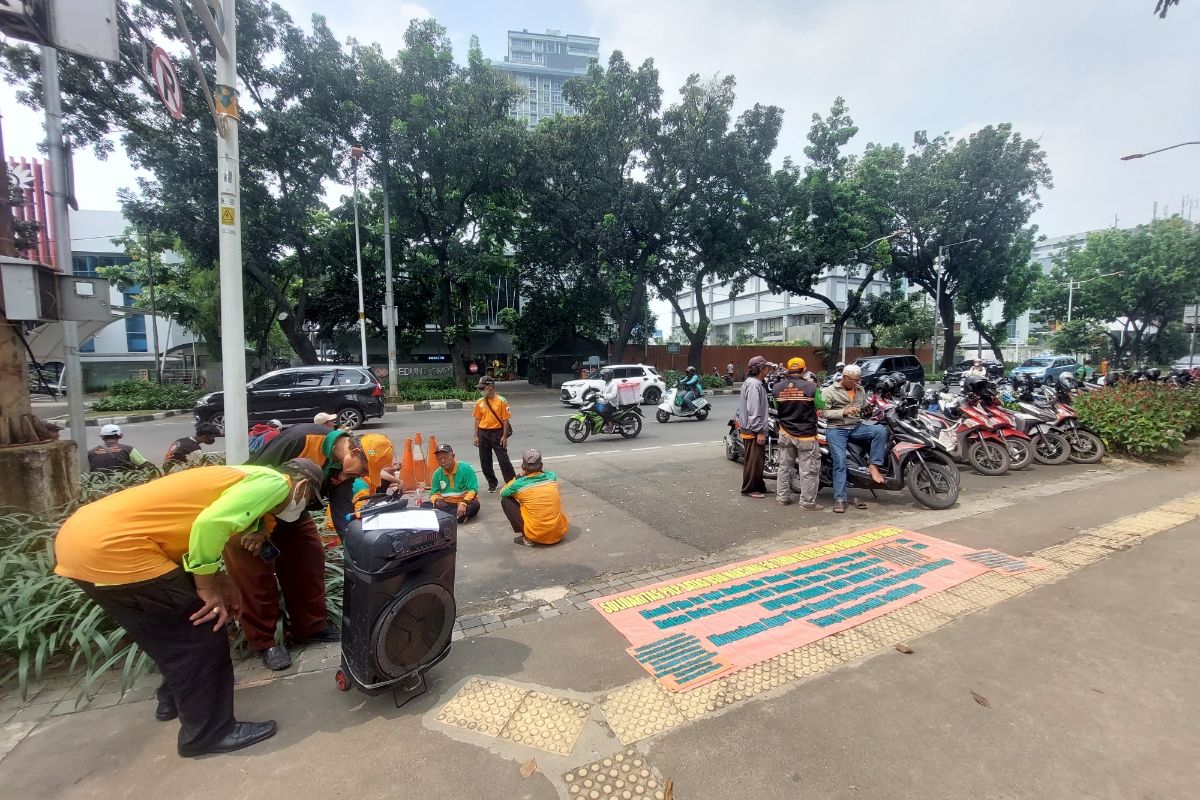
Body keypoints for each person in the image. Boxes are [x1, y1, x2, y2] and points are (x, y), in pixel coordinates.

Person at [54, 458, 324, 758]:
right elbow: (209, 526)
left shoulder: (242, 475)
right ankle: (208, 733)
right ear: (300, 486)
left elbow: (197, 528)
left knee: (167, 634)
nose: (301, 508)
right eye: (308, 501)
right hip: (120, 548)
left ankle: (173, 699)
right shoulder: (276, 484)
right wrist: (208, 589)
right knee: (202, 632)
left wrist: (217, 578)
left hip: (80, 541)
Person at [233, 423, 360, 669]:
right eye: (358, 472)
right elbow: (251, 481)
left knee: (309, 560)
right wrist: (258, 525)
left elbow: (341, 508)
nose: (353, 478)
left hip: (293, 512)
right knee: (256, 578)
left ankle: (310, 627)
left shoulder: (346, 467)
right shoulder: (301, 439)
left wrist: (354, 547)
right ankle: (265, 642)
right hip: (249, 513)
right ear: (354, 452)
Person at [821, 364, 886, 513]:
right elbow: (823, 413)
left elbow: (863, 412)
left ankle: (874, 465)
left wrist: (868, 411)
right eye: (854, 380)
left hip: (856, 426)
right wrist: (844, 412)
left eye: (858, 380)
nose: (857, 383)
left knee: (880, 431)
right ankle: (840, 498)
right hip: (837, 429)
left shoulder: (860, 390)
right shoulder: (829, 391)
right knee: (840, 462)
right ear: (844, 378)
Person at [772, 357, 823, 510]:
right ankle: (807, 503)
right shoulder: (812, 387)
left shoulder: (777, 388)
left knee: (784, 467)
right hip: (806, 435)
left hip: (785, 432)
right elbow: (821, 405)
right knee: (808, 470)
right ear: (804, 369)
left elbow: (776, 406)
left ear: (788, 370)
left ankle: (782, 498)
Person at [502, 449, 568, 547]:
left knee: (505, 500)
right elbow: (545, 472)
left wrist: (519, 475)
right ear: (541, 465)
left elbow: (503, 492)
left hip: (536, 536)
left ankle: (527, 538)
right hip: (559, 533)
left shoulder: (519, 484)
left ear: (523, 467)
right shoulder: (551, 477)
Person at [473, 375, 516, 492]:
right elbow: (477, 419)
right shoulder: (479, 402)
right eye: (480, 389)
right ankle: (492, 483)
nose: (480, 391)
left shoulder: (502, 401)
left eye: (482, 388)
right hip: (483, 433)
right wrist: (475, 435)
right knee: (485, 461)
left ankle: (511, 483)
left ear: (490, 387)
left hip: (497, 433)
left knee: (504, 460)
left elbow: (505, 419)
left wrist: (504, 436)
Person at [738, 355, 771, 498]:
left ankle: (759, 486)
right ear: (761, 369)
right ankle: (749, 489)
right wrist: (759, 431)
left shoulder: (754, 382)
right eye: (766, 367)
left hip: (752, 428)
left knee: (758, 460)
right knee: (754, 461)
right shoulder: (754, 385)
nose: (768, 370)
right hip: (753, 430)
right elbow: (754, 410)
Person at [422, 444, 480, 523]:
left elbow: (473, 490)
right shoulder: (437, 473)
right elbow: (433, 493)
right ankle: (457, 517)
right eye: (439, 459)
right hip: (446, 504)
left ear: (453, 456)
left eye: (445, 457)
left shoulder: (466, 468)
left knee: (475, 505)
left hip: (464, 503)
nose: (442, 461)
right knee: (423, 506)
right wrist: (437, 500)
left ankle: (441, 517)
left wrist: (464, 503)